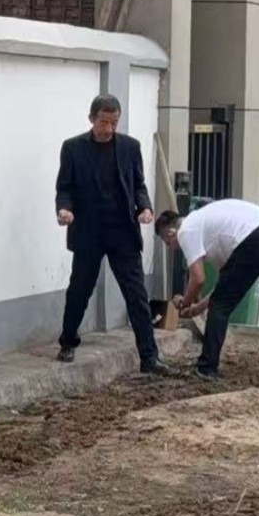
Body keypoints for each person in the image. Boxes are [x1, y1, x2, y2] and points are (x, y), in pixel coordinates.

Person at [55, 94, 169, 376]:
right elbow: (64, 187)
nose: (108, 128)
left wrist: (145, 208)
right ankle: (68, 341)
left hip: (122, 231)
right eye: (103, 122)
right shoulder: (73, 148)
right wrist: (64, 210)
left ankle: (149, 357)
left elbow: (139, 185)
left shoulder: (130, 147)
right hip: (89, 231)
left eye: (114, 123)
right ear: (91, 118)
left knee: (136, 295)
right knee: (79, 290)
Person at [155, 199, 259, 380]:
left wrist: (185, 302)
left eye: (168, 243)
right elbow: (221, 288)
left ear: (171, 232)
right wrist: (196, 308)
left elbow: (198, 279)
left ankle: (207, 368)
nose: (172, 249)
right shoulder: (208, 228)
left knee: (220, 306)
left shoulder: (186, 230)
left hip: (256, 237)